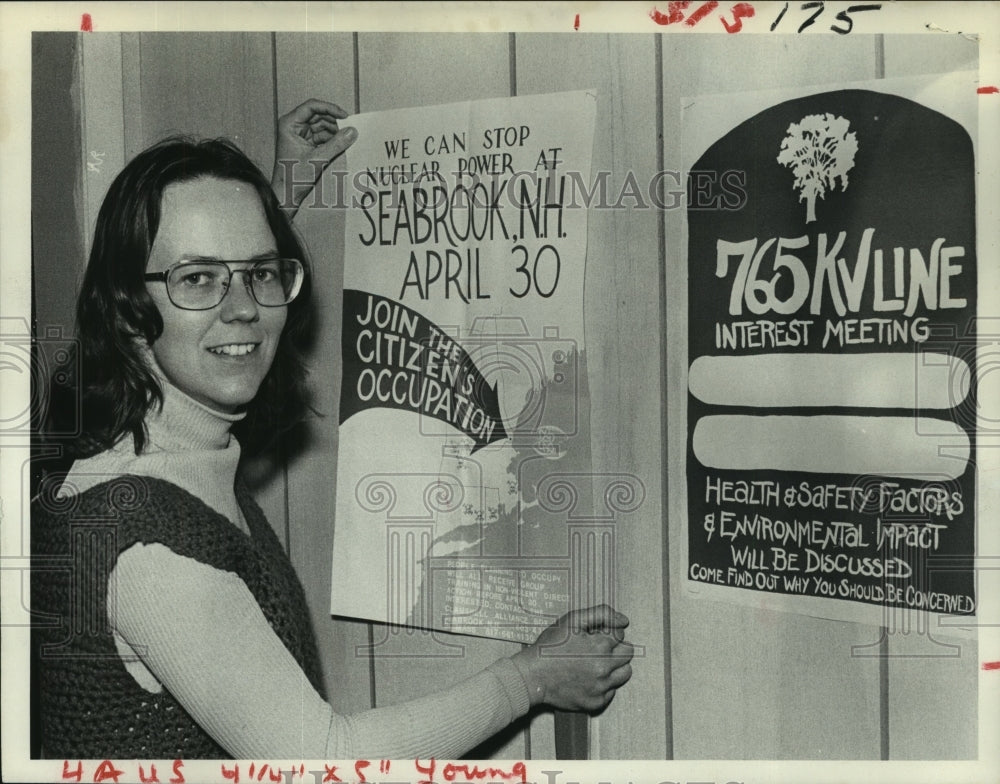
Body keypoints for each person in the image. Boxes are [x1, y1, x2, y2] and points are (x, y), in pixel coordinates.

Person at [31, 100, 634, 760]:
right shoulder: (147, 546)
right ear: (126, 310)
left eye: (262, 272)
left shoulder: (121, 442)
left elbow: (214, 307)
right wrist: (531, 678)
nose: (244, 308)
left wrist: (276, 191)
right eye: (198, 278)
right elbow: (321, 759)